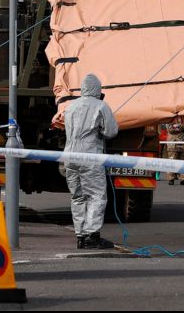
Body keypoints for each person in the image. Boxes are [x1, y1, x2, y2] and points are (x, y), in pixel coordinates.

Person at [64, 74, 119, 249]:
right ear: (97, 89)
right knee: (96, 196)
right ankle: (92, 236)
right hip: (90, 157)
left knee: (77, 196)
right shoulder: (101, 106)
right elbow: (111, 132)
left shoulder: (70, 107)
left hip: (69, 156)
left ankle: (80, 236)